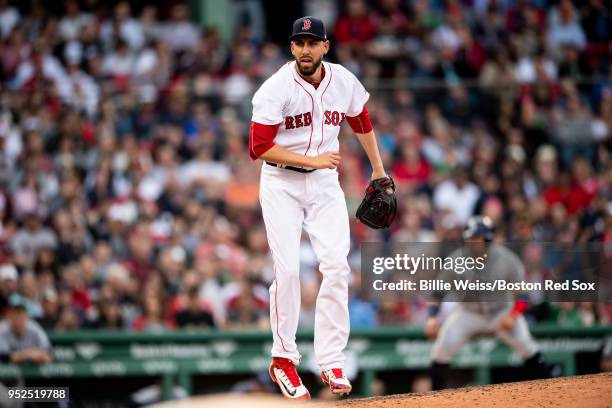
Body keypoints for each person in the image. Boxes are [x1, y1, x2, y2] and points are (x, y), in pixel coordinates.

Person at [249, 16, 388, 399]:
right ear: (291, 48)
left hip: (324, 183)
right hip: (281, 182)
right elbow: (258, 148)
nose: (305, 49)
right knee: (289, 270)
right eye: (299, 43)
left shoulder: (341, 79)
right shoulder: (276, 88)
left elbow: (360, 118)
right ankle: (283, 360)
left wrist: (378, 169)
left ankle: (330, 360)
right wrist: (311, 162)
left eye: (312, 42)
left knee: (338, 267)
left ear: (326, 46)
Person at [425, 216, 556, 390]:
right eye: (470, 239)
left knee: (526, 345)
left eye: (477, 239)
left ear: (488, 240)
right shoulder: (456, 260)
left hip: (501, 311)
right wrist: (432, 317)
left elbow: (523, 295)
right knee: (442, 348)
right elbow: (437, 292)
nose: (473, 243)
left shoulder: (507, 259)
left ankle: (551, 389)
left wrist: (514, 315)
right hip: (468, 313)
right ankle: (435, 398)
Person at [0, 294, 52, 364]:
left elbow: (48, 354)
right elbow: (4, 357)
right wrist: (29, 354)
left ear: (26, 317)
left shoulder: (34, 328)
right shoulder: (2, 329)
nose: (18, 318)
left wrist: (21, 356)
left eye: (21, 315)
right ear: (9, 316)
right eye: (15, 314)